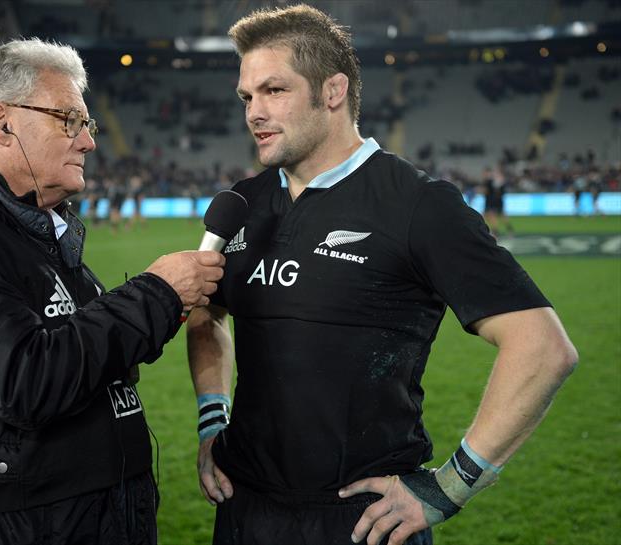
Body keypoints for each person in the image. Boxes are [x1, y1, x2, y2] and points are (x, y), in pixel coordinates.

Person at [185, 5, 577, 545]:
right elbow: (206, 309)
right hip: (243, 509)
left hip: (363, 521)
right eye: (246, 97)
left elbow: (542, 347)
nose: (254, 111)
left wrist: (448, 488)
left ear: (333, 90)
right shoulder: (243, 204)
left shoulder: (418, 204)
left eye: (274, 90)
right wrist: (212, 421)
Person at [0, 38, 225, 545]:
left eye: (89, 124)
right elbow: (24, 379)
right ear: (4, 122)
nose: (89, 141)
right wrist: (157, 293)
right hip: (0, 529)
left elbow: (88, 359)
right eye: (70, 120)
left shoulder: (42, 231)